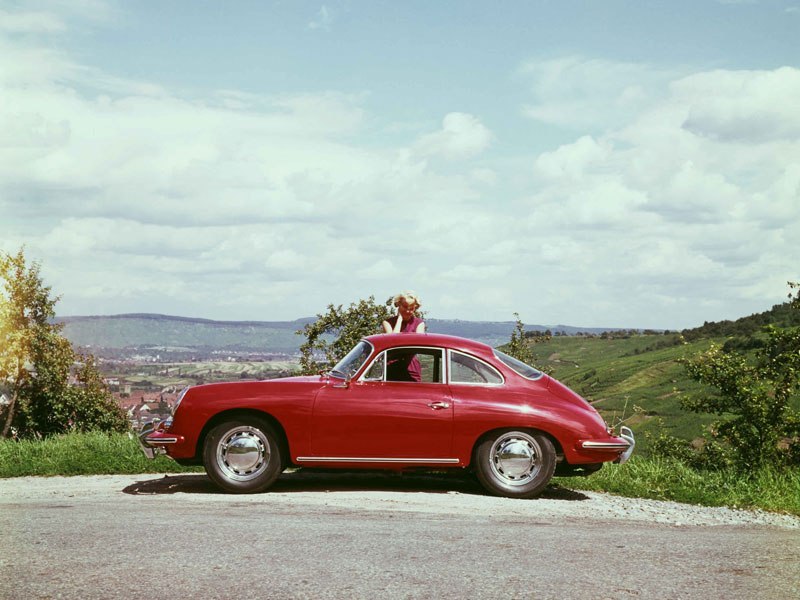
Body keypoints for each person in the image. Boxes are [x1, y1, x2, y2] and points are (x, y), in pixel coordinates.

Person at [382, 291, 425, 382]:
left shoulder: (419, 324)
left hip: (411, 369)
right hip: (391, 368)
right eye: (405, 307)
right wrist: (399, 320)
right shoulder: (388, 323)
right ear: (398, 305)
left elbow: (418, 345)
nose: (407, 311)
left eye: (411, 308)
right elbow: (391, 342)